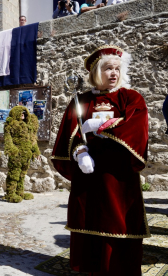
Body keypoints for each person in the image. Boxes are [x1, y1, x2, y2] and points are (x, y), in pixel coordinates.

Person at [51, 45, 149, 275]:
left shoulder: (130, 97)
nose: (113, 73)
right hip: (89, 175)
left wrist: (104, 126)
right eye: (107, 68)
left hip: (118, 175)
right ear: (96, 71)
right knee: (89, 220)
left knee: (118, 223)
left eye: (117, 68)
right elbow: (69, 134)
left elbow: (137, 126)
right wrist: (80, 152)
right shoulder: (81, 100)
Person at [3, 106, 40, 203]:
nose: (22, 114)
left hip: (26, 156)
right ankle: (10, 194)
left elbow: (32, 139)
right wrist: (12, 149)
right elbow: (8, 139)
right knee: (14, 174)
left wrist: (36, 152)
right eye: (20, 112)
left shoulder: (28, 126)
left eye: (24, 112)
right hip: (16, 155)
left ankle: (19, 192)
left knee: (22, 175)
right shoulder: (11, 124)